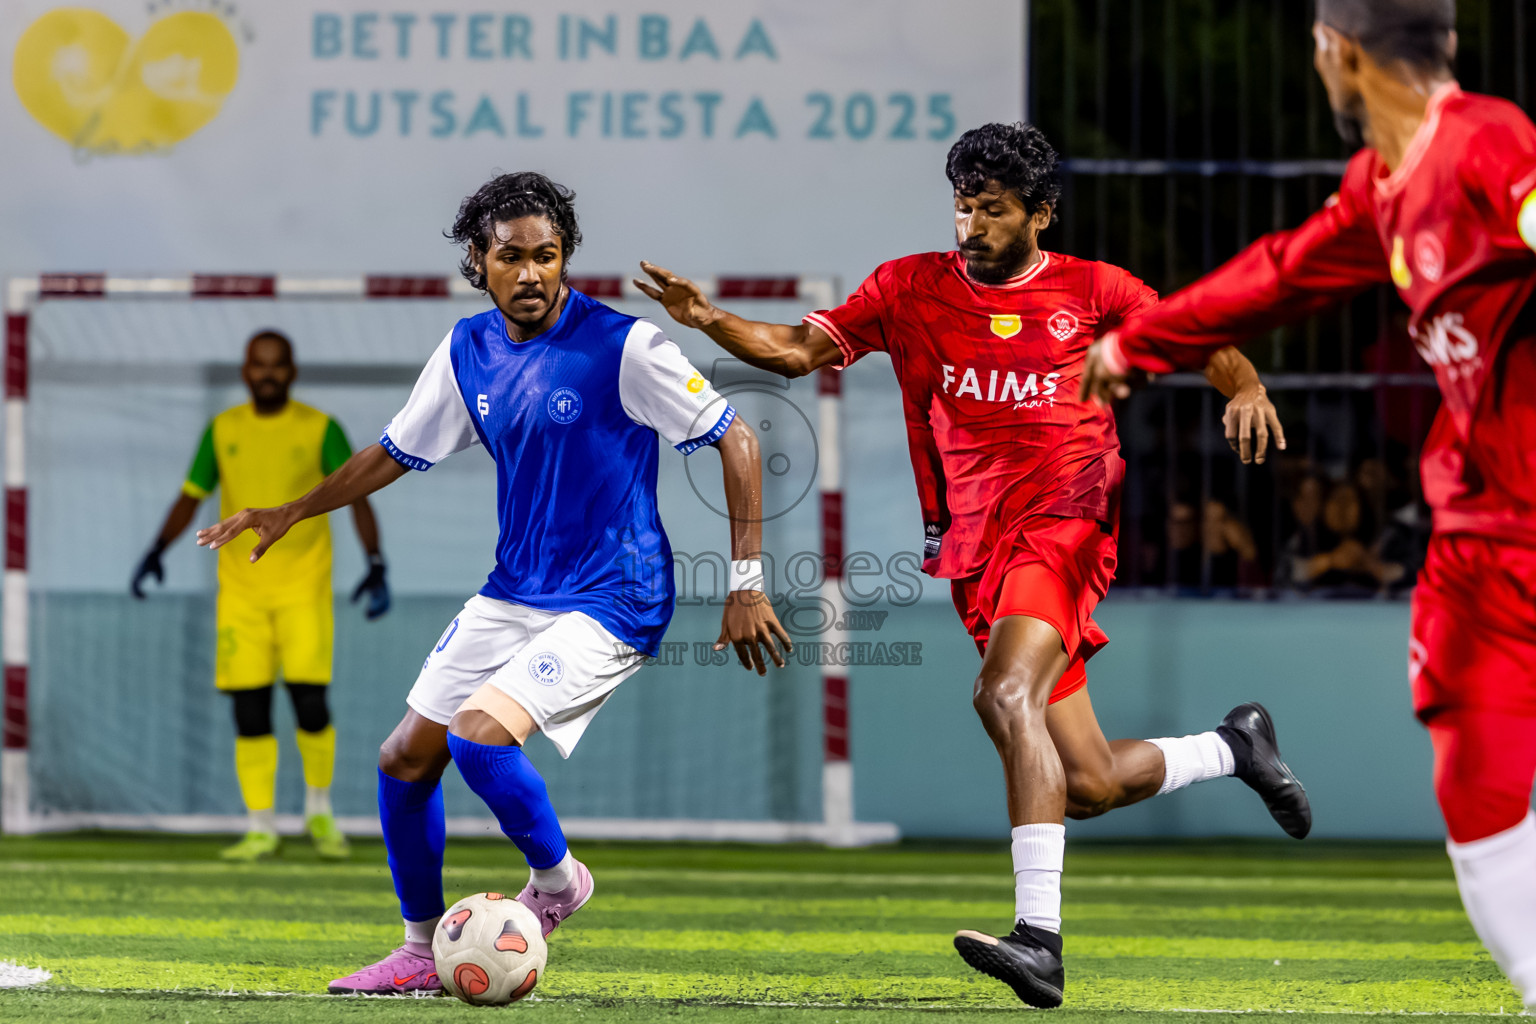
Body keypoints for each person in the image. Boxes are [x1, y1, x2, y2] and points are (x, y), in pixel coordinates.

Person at [635, 122, 1311, 1009]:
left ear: (1041, 215)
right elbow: (797, 353)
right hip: (975, 549)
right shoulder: (909, 288)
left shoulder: (1093, 289)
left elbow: (1193, 334)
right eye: (963, 206)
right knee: (1090, 785)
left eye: (992, 209)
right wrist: (707, 319)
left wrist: (1248, 387)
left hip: (1066, 525)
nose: (971, 225)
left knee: (1003, 696)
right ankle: (1234, 747)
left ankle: (1039, 940)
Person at [196, 172, 791, 996]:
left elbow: (738, 442)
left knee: (478, 739)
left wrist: (748, 582)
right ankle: (415, 948)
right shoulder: (466, 349)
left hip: (616, 595)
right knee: (404, 759)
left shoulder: (625, 346)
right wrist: (294, 509)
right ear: (479, 263)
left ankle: (557, 884)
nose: (531, 274)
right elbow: (393, 451)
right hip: (517, 590)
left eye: (547, 256)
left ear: (565, 260)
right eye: (511, 257)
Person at [1082, 0, 1536, 1007]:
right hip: (1483, 536)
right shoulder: (1382, 186)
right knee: (1476, 780)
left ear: (1339, 53)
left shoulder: (1487, 143)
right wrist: (1135, 346)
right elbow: (1279, 274)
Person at [132, 331, 390, 862]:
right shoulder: (222, 430)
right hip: (242, 597)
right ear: (246, 370)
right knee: (249, 710)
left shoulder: (320, 428)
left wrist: (375, 561)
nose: (267, 374)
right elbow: (191, 496)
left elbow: (356, 491)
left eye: (277, 366)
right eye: (258, 365)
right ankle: (260, 826)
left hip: (303, 590)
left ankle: (319, 813)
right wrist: (157, 548)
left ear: (291, 371)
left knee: (310, 702)